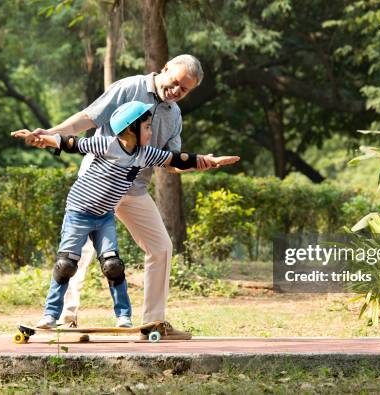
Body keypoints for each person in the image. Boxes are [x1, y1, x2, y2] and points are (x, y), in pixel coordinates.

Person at [17, 54, 209, 340]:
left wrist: (195, 163)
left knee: (161, 247)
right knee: (75, 253)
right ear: (165, 68)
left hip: (133, 188)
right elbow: (87, 118)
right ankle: (65, 318)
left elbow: (169, 161)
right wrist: (50, 134)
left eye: (185, 90)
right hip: (97, 182)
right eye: (175, 83)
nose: (176, 92)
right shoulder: (129, 87)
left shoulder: (174, 114)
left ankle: (153, 323)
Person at [12, 101, 239, 329]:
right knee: (66, 264)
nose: (151, 132)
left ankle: (123, 317)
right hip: (78, 213)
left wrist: (210, 161)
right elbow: (71, 143)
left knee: (113, 265)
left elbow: (177, 159)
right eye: (148, 127)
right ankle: (51, 315)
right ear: (131, 128)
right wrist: (40, 138)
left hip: (104, 216)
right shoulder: (106, 145)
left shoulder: (146, 154)